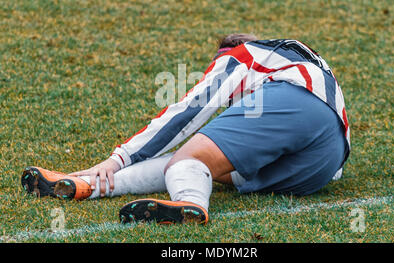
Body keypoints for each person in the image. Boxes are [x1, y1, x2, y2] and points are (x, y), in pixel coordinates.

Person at [21, 34, 350, 225]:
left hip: (297, 105)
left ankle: (192, 204)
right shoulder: (299, 60)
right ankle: (87, 186)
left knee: (188, 161)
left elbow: (187, 112)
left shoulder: (243, 55)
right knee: (206, 165)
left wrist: (118, 158)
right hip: (326, 162)